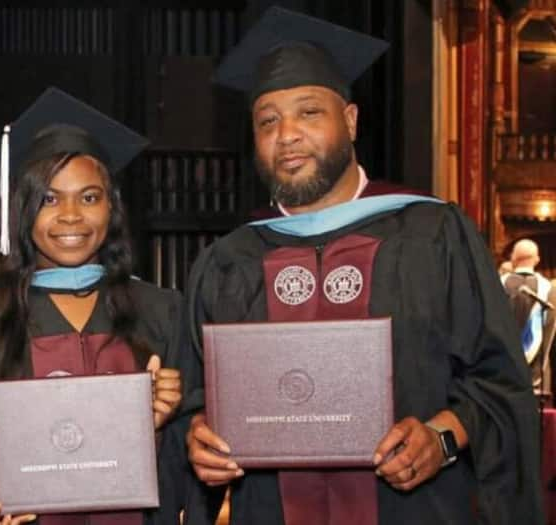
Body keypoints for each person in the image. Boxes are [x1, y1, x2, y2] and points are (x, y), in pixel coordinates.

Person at [182, 7, 542, 525]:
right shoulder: (227, 264)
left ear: (349, 121)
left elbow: (499, 384)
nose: (286, 135)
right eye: (267, 121)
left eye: (309, 112)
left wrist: (442, 437)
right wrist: (198, 439)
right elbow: (197, 404)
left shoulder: (431, 235)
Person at [0, 87, 191, 525]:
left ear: (112, 208)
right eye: (49, 199)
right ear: (22, 210)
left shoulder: (163, 310)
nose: (71, 215)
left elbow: (194, 462)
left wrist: (163, 421)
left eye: (89, 197)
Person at [502, 238, 556, 400]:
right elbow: (550, 339)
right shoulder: (550, 291)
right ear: (537, 259)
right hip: (537, 379)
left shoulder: (497, 284)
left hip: (503, 377)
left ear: (513, 258)